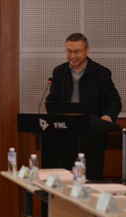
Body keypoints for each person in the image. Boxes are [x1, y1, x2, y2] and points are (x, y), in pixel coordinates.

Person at [44, 33, 122, 179]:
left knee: (91, 179)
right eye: (69, 51)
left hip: (92, 136)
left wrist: (106, 118)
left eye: (77, 51)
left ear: (87, 50)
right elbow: (52, 99)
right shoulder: (59, 72)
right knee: (65, 179)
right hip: (65, 136)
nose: (72, 56)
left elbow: (114, 101)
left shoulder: (101, 73)